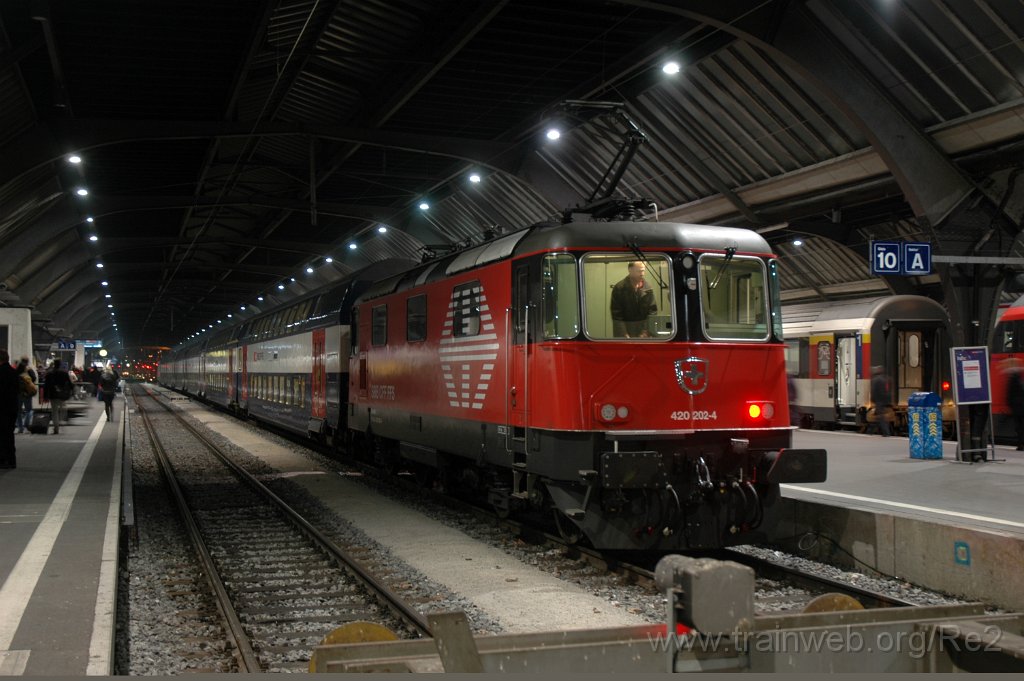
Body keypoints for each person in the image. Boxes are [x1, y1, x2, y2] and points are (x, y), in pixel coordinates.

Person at [610, 261, 657, 338]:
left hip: (644, 334)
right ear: (630, 270)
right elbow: (617, 315)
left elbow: (652, 311)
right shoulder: (619, 288)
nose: (642, 274)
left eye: (643, 270)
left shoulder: (648, 288)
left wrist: (645, 331)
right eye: (639, 271)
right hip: (625, 333)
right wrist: (624, 334)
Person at [43, 358, 73, 435]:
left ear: (54, 364)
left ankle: (56, 426)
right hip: (62, 394)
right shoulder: (64, 373)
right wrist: (71, 391)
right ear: (60, 364)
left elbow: (46, 385)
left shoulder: (49, 373)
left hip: (53, 394)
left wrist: (45, 395)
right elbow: (70, 383)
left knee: (54, 411)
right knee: (63, 409)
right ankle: (61, 421)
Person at [0, 350, 19, 468]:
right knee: (9, 434)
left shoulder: (1, 372)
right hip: (12, 407)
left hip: (2, 408)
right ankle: (12, 460)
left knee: (2, 435)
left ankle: (3, 459)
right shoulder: (13, 372)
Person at [15, 357, 37, 434]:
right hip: (27, 393)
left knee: (18, 411)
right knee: (29, 410)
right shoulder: (28, 370)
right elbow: (34, 378)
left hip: (18, 394)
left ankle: (20, 428)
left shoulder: (16, 371)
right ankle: (26, 423)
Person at [1005, 359, 1024, 451]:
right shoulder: (1019, 379)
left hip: (1017, 407)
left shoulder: (1013, 379)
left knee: (1019, 427)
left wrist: (1009, 404)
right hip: (1020, 406)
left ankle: (1021, 444)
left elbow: (1009, 394)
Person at [870, 364, 893, 437]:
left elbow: (873, 391)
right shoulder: (887, 379)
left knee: (880, 416)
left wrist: (873, 399)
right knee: (878, 415)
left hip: (879, 401)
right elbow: (889, 390)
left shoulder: (875, 380)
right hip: (885, 400)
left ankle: (886, 432)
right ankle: (870, 431)